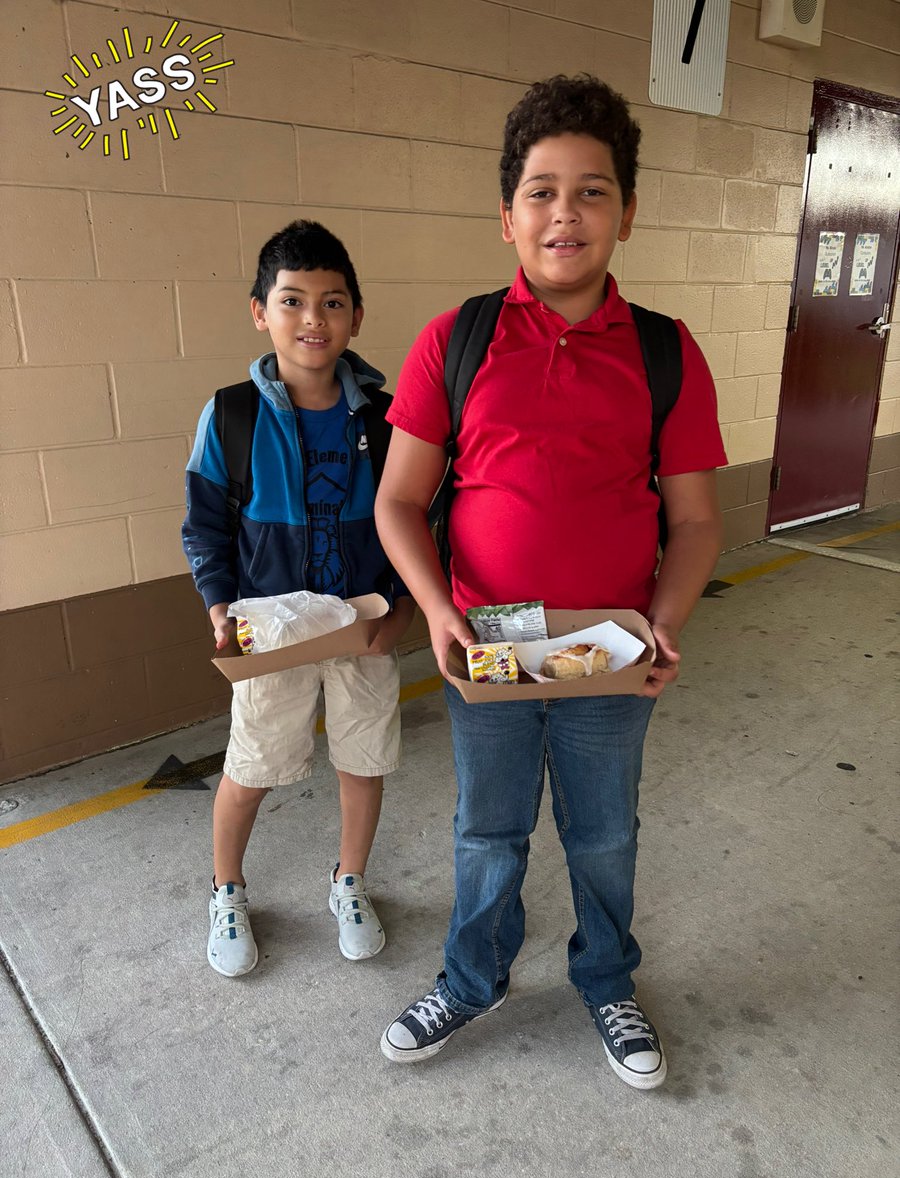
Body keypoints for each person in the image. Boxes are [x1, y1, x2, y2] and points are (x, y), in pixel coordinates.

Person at [374, 75, 726, 1089]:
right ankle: (473, 977)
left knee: (603, 831)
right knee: (487, 831)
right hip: (485, 649)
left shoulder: (664, 352)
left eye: (591, 191)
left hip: (606, 656)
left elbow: (697, 521)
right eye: (540, 191)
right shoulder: (459, 340)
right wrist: (439, 613)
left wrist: (661, 625)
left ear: (626, 212)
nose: (564, 213)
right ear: (506, 216)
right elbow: (398, 504)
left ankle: (607, 978)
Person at [182, 220, 414, 977]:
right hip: (271, 633)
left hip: (364, 627)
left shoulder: (386, 420)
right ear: (261, 312)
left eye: (333, 302)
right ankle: (226, 887)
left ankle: (349, 881)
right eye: (293, 301)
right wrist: (221, 606)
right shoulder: (232, 416)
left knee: (363, 761)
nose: (314, 319)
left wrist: (403, 608)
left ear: (356, 315)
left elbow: (416, 517)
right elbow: (205, 524)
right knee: (250, 766)